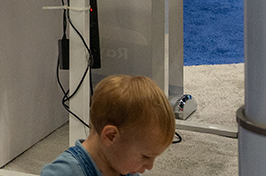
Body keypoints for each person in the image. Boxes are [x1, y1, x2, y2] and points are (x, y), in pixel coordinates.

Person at [41, 75, 175, 176]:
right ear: (111, 136)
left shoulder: (126, 168)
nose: (150, 166)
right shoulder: (65, 172)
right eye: (145, 156)